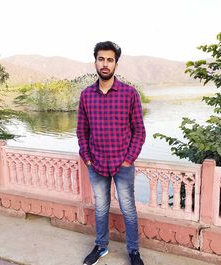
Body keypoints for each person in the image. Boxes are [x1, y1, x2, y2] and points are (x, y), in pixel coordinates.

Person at [77, 41, 146, 265]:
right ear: (95, 62)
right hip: (96, 164)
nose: (105, 64)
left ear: (116, 63)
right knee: (100, 208)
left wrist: (129, 159)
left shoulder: (129, 94)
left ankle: (134, 251)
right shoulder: (86, 95)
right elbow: (81, 131)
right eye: (101, 59)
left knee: (128, 209)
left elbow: (139, 131)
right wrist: (87, 158)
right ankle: (101, 246)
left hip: (122, 164)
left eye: (109, 60)